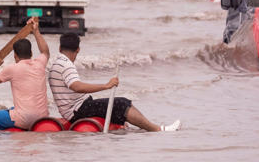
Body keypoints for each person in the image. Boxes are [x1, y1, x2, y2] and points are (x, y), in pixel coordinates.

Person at [48, 33, 181, 132]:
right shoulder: (66, 64)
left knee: (114, 105)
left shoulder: (58, 62)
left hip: (77, 108)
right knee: (121, 103)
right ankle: (158, 129)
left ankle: (138, 126)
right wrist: (106, 86)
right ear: (78, 49)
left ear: (60, 48)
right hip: (77, 111)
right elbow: (76, 86)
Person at [0, 17, 50, 132]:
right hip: (42, 117)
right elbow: (45, 51)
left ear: (15, 56)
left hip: (24, 119)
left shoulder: (13, 68)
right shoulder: (40, 63)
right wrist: (36, 31)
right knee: (13, 109)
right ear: (31, 53)